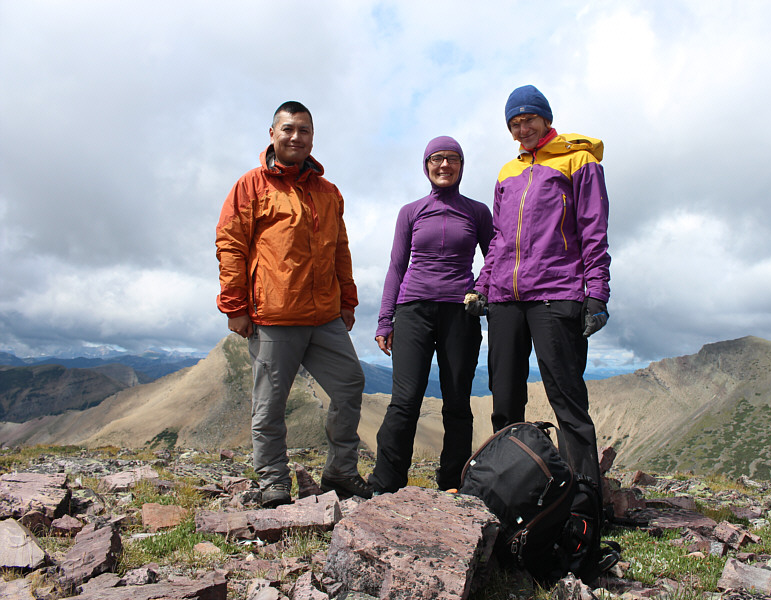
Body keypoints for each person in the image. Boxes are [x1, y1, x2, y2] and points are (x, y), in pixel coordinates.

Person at [215, 100, 372, 506]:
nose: (296, 137)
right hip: (275, 315)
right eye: (288, 129)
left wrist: (348, 299)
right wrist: (235, 306)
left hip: (324, 316)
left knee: (349, 384)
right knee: (270, 405)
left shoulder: (328, 192)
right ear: (272, 134)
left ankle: (340, 471)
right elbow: (231, 245)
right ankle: (274, 481)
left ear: (312, 138)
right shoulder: (251, 186)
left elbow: (340, 248)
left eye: (304, 130)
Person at [470, 85, 611, 484]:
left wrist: (597, 292)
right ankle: (505, 489)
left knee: (567, 399)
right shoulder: (507, 172)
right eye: (514, 124)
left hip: (557, 292)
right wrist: (483, 286)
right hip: (505, 299)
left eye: (528, 119)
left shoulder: (578, 160)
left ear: (546, 118)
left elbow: (593, 229)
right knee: (504, 399)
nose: (522, 129)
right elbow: (499, 238)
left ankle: (584, 497)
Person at [369, 136, 493, 494]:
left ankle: (454, 483)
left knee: (457, 402)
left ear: (461, 166)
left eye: (453, 159)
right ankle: (386, 484)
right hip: (413, 310)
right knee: (404, 401)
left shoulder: (477, 211)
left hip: (460, 312)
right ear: (426, 166)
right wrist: (385, 319)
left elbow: (495, 257)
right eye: (437, 158)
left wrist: (481, 290)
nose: (445, 165)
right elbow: (396, 266)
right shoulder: (411, 211)